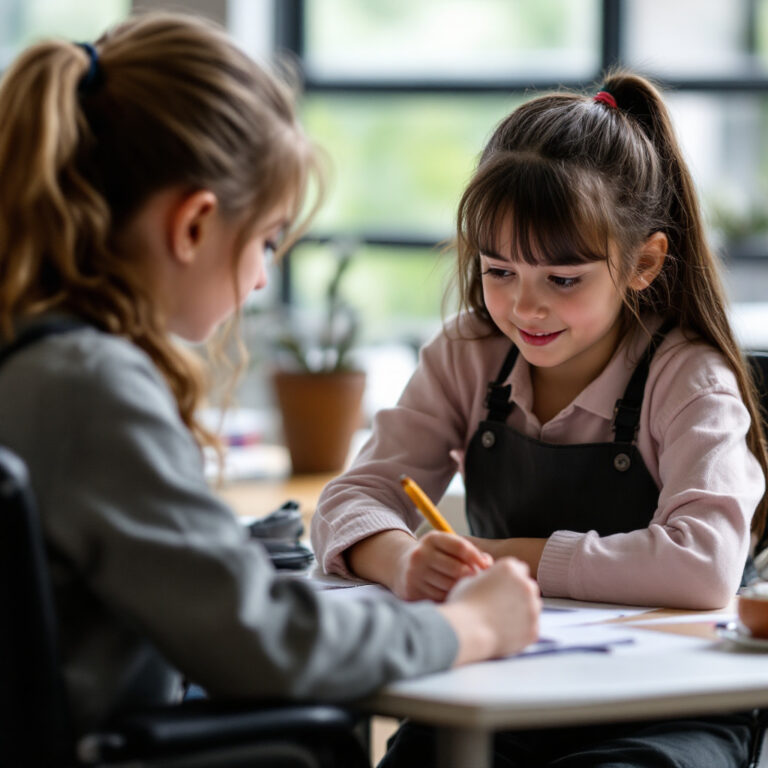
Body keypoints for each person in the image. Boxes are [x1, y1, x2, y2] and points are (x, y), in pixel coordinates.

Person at [0, 11, 542, 738]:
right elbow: (264, 642)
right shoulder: (90, 387)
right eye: (263, 241)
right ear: (193, 226)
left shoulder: (30, 356)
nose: (260, 280)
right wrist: (469, 628)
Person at [311, 72, 767, 767]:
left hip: (665, 712)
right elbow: (351, 499)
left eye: (563, 280)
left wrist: (499, 558)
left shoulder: (687, 377)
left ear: (643, 263)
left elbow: (701, 566)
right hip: (505, 690)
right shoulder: (469, 353)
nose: (525, 308)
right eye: (499, 272)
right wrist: (408, 564)